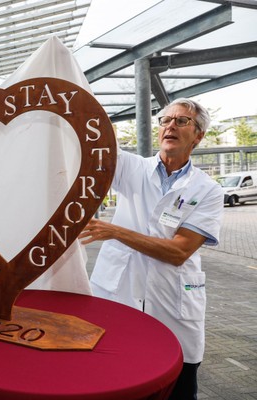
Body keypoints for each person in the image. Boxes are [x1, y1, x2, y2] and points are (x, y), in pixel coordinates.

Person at [79, 98, 224, 400]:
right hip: (119, 293)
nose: (170, 126)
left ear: (198, 135)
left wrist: (114, 231)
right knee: (113, 380)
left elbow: (178, 252)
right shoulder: (132, 168)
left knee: (178, 388)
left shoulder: (208, 190)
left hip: (172, 301)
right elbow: (92, 143)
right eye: (165, 120)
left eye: (182, 121)